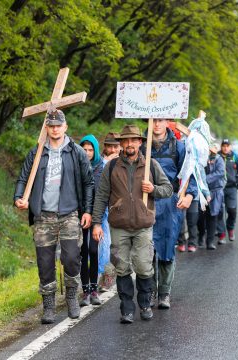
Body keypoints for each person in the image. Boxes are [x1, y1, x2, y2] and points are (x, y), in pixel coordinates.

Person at [14, 108, 94, 324]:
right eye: (51, 125)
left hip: (69, 214)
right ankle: (48, 306)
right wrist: (19, 197)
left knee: (70, 257)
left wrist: (87, 210)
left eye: (59, 125)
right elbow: (23, 178)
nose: (55, 129)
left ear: (65, 127)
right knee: (45, 262)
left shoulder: (76, 152)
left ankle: (71, 296)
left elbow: (88, 183)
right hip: (44, 216)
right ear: (46, 128)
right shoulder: (37, 152)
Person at [92, 124, 172, 324]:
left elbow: (168, 189)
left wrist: (153, 188)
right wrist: (96, 223)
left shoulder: (151, 165)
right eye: (125, 141)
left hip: (143, 225)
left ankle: (145, 304)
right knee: (122, 268)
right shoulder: (111, 167)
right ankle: (127, 309)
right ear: (121, 144)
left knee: (144, 267)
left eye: (133, 140)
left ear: (140, 142)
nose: (129, 144)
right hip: (119, 225)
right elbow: (101, 196)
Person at [141, 118, 198, 309]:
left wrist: (190, 194)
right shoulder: (141, 146)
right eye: (153, 120)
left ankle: (164, 292)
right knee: (146, 250)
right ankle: (149, 292)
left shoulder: (179, 147)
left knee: (166, 248)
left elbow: (190, 172)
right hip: (145, 202)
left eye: (160, 120)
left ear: (167, 122)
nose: (156, 124)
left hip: (170, 203)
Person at [79, 134, 104, 306]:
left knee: (93, 250)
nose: (87, 153)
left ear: (95, 150)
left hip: (96, 213)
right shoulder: (76, 165)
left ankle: (95, 289)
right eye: (84, 149)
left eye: (90, 149)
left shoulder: (102, 168)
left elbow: (103, 194)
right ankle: (85, 291)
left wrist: (98, 219)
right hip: (78, 214)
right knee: (83, 252)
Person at [97, 132, 121, 292]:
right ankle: (105, 276)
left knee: (118, 245)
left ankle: (114, 273)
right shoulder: (99, 161)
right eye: (109, 146)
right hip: (104, 208)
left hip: (121, 208)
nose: (112, 149)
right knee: (104, 243)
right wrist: (107, 162)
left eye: (115, 146)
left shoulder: (124, 161)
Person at [198, 143, 226, 249]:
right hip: (202, 191)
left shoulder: (218, 159)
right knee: (200, 217)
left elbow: (220, 172)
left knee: (212, 216)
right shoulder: (200, 157)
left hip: (215, 191)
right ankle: (201, 236)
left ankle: (210, 242)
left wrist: (206, 178)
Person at [217, 139, 238, 243]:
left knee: (232, 211)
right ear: (221, 147)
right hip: (219, 188)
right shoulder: (217, 156)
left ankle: (230, 228)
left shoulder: (235, 157)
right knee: (219, 212)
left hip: (231, 187)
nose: (225, 148)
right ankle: (221, 234)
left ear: (230, 147)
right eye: (224, 146)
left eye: (227, 146)